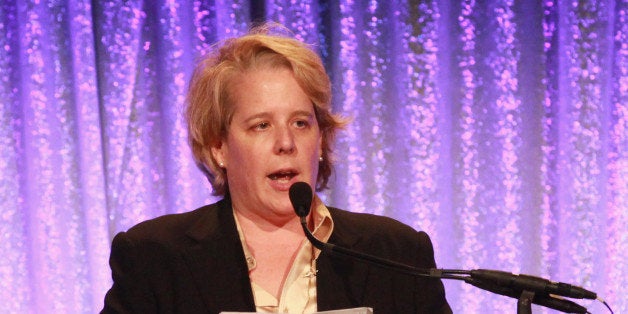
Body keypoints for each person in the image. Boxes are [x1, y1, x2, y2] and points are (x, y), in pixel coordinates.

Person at [102, 24, 451, 314]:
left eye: (301, 123)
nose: (286, 142)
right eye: (261, 125)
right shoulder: (154, 258)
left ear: (321, 139)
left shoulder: (396, 253)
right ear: (218, 147)